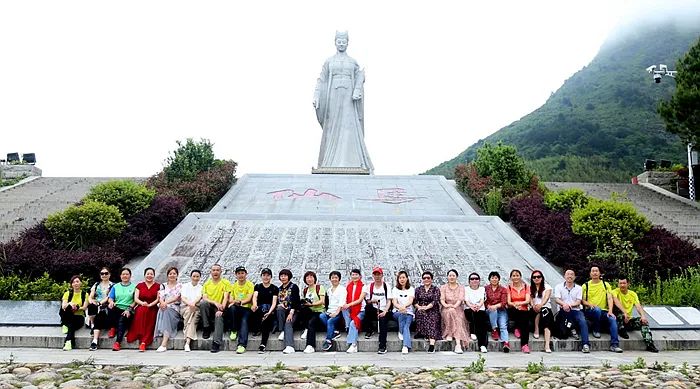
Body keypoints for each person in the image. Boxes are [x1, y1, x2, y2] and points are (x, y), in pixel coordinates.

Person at [313, 30, 373, 172]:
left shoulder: (352, 62)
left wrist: (357, 89)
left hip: (348, 97)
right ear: (335, 43)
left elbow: (360, 76)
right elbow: (321, 80)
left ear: (347, 43)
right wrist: (316, 95)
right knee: (333, 126)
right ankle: (331, 161)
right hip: (333, 95)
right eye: (339, 41)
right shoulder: (329, 61)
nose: (341, 44)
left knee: (348, 127)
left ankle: (349, 160)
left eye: (343, 41)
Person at [582, 265, 623, 353]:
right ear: (590, 274)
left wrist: (611, 311)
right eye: (593, 271)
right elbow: (582, 301)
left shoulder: (605, 285)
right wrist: (590, 304)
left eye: (596, 271)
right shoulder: (585, 285)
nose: (595, 272)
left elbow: (609, 298)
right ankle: (596, 329)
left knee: (612, 319)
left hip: (604, 311)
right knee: (597, 310)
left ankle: (614, 345)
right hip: (590, 311)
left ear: (600, 273)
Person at [611, 277, 658, 353]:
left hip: (628, 320)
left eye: (624, 283)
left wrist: (643, 316)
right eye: (620, 283)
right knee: (619, 314)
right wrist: (624, 312)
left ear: (628, 284)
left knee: (643, 322)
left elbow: (638, 306)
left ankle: (649, 344)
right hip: (618, 319)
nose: (622, 285)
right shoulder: (614, 292)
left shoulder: (633, 294)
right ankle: (621, 330)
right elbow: (616, 302)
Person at [554, 269, 590, 353]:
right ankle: (571, 328)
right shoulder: (559, 287)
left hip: (576, 310)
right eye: (568, 274)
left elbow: (578, 302)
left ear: (574, 277)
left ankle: (585, 344)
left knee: (583, 321)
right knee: (565, 314)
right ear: (564, 276)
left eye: (572, 274)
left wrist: (569, 305)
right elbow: (557, 299)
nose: (569, 276)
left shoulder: (579, 288)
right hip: (563, 310)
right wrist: (564, 305)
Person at [126, 267, 160, 352]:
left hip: (153, 307)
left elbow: (158, 299)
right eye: (148, 274)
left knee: (151, 319)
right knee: (141, 311)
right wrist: (142, 303)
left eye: (151, 274)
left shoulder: (158, 286)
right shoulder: (139, 285)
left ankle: (144, 342)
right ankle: (139, 334)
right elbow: (136, 298)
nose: (149, 275)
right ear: (144, 275)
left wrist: (151, 304)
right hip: (142, 305)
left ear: (154, 275)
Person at [200, 264, 231, 353]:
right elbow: (205, 298)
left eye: (217, 270)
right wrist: (215, 302)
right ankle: (206, 327)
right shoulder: (207, 284)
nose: (215, 272)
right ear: (211, 272)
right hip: (211, 306)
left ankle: (216, 343)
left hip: (222, 307)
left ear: (221, 272)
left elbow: (226, 297)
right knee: (203, 303)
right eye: (213, 270)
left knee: (218, 316)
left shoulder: (225, 283)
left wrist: (221, 309)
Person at [362, 266, 392, 354]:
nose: (377, 276)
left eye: (379, 274)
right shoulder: (370, 286)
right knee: (367, 308)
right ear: (373, 276)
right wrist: (372, 301)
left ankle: (382, 345)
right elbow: (367, 300)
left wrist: (385, 311)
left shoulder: (386, 286)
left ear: (382, 275)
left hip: (384, 310)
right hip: (375, 308)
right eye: (375, 274)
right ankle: (369, 329)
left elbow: (389, 301)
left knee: (383, 322)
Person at [440, 269, 470, 354]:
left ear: (456, 277)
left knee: (456, 316)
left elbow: (460, 300)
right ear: (447, 277)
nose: (451, 277)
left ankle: (454, 339)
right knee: (450, 312)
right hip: (446, 308)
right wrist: (447, 306)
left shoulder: (461, 287)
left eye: (453, 275)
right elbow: (442, 300)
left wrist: (454, 306)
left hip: (458, 308)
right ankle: (456, 344)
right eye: (450, 275)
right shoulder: (443, 287)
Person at [226, 266, 254, 354]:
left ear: (246, 274)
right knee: (232, 308)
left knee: (244, 321)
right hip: (236, 307)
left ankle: (242, 345)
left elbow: (249, 298)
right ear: (236, 275)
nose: (241, 275)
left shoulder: (250, 285)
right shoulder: (233, 286)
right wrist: (235, 302)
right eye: (239, 273)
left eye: (242, 273)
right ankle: (233, 330)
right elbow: (230, 299)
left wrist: (240, 302)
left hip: (246, 309)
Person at [108, 267, 137, 351]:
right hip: (117, 308)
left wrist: (128, 309)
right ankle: (112, 327)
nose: (125, 276)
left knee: (122, 319)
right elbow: (110, 298)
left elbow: (135, 301)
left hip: (128, 309)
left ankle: (118, 342)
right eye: (123, 274)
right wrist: (111, 302)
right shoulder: (115, 286)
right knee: (110, 307)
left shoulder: (134, 287)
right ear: (120, 276)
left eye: (127, 274)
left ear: (130, 276)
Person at [154, 267, 182, 352]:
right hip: (164, 307)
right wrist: (162, 303)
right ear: (167, 275)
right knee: (163, 309)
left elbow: (177, 298)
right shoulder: (163, 285)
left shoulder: (180, 286)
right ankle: (164, 342)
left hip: (175, 309)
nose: (172, 275)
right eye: (170, 274)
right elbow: (160, 297)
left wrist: (165, 303)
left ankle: (164, 343)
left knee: (165, 310)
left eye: (174, 273)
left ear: (177, 275)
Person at [252, 268, 278, 353]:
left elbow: (274, 302)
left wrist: (269, 312)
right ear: (261, 276)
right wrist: (254, 305)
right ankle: (257, 328)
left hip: (270, 309)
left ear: (271, 277)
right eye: (264, 275)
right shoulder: (258, 286)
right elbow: (255, 297)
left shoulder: (274, 288)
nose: (266, 277)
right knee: (258, 312)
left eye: (268, 275)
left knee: (266, 320)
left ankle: (263, 344)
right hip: (260, 309)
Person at [414, 270, 441, 353]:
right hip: (421, 308)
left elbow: (435, 301)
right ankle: (423, 333)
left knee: (431, 318)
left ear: (431, 279)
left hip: (432, 309)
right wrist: (419, 307)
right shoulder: (418, 289)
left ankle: (432, 344)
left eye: (428, 278)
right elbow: (414, 301)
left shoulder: (436, 289)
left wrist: (426, 307)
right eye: (424, 278)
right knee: (420, 313)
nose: (426, 279)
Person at [300, 271, 327, 353]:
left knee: (311, 323)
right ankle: (305, 328)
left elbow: (322, 301)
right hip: (309, 311)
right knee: (302, 308)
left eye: (311, 277)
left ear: (314, 278)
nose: (309, 279)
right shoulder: (305, 290)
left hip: (319, 311)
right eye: (307, 278)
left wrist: (311, 304)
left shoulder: (319, 287)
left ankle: (310, 345)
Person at [87, 267, 114, 351]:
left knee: (100, 313)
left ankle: (94, 341)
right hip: (96, 305)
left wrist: (100, 303)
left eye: (106, 273)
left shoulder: (113, 285)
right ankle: (92, 324)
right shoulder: (96, 284)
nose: (104, 275)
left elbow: (108, 297)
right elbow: (90, 296)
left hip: (105, 305)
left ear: (109, 274)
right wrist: (91, 301)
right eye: (102, 273)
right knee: (91, 305)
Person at [320, 271, 347, 352]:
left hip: (338, 312)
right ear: (330, 279)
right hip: (329, 311)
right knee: (321, 316)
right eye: (332, 278)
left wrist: (336, 313)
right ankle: (335, 331)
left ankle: (329, 340)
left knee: (330, 321)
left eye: (336, 277)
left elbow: (341, 303)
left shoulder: (342, 289)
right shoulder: (329, 290)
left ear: (339, 279)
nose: (334, 279)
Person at [60, 275, 88, 351]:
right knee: (68, 308)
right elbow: (63, 306)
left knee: (71, 325)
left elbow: (84, 307)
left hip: (79, 317)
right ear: (71, 284)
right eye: (73, 282)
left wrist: (77, 307)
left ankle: (65, 324)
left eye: (77, 281)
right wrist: (70, 304)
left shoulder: (85, 294)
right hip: (68, 315)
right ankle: (68, 343)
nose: (75, 283)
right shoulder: (67, 293)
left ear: (81, 283)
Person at [276, 269, 301, 354]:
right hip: (283, 311)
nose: (283, 278)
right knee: (279, 308)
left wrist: (291, 313)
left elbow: (296, 301)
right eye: (282, 276)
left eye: (285, 276)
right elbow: (278, 301)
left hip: (293, 311)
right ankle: (282, 330)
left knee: (288, 322)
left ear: (289, 277)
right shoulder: (279, 289)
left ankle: (290, 346)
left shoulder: (294, 287)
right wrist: (280, 304)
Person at [507, 269, 531, 354]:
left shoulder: (526, 287)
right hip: (513, 309)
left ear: (520, 277)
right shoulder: (509, 287)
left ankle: (525, 345)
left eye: (517, 275)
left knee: (525, 323)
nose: (515, 277)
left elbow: (528, 300)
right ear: (511, 278)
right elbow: (509, 302)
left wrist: (519, 303)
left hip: (524, 309)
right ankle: (517, 327)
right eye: (514, 276)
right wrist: (515, 305)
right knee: (518, 312)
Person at [485, 271, 510, 352]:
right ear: (489, 279)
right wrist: (489, 306)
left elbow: (504, 302)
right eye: (492, 278)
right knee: (493, 311)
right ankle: (494, 330)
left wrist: (495, 306)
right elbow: (484, 300)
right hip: (489, 310)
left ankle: (506, 343)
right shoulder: (486, 288)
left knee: (503, 325)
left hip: (501, 310)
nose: (494, 279)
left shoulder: (503, 289)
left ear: (499, 279)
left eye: (496, 278)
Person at [464, 272, 489, 353]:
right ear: (469, 281)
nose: (474, 280)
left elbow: (482, 299)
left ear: (479, 280)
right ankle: (473, 331)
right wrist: (471, 306)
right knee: (472, 313)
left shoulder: (482, 289)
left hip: (480, 308)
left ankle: (482, 345)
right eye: (472, 279)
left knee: (482, 325)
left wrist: (478, 306)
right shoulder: (466, 289)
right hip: (469, 308)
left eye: (476, 279)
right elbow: (466, 300)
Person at [530, 270, 553, 353]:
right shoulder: (530, 288)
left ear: (542, 278)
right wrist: (533, 305)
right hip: (534, 309)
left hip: (545, 307)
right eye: (534, 277)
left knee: (544, 314)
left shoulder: (547, 287)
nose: (536, 278)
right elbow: (530, 299)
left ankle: (547, 344)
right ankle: (536, 329)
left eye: (538, 276)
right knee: (537, 311)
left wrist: (541, 305)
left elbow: (546, 297)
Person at [392, 270, 415, 354]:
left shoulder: (411, 289)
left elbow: (410, 300)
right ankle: (405, 343)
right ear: (398, 279)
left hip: (408, 312)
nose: (402, 279)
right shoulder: (395, 289)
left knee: (406, 325)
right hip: (397, 312)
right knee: (402, 314)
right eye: (400, 278)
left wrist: (404, 307)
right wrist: (401, 308)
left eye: (403, 277)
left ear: (407, 278)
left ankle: (405, 344)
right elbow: (394, 302)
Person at [343, 268, 365, 353]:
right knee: (343, 309)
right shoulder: (348, 286)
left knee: (354, 323)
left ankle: (353, 345)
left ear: (360, 276)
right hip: (351, 309)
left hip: (360, 311)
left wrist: (348, 305)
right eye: (353, 275)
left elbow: (360, 300)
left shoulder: (363, 287)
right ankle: (348, 328)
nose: (354, 276)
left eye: (356, 275)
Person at [180, 269, 203, 352]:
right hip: (185, 308)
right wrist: (190, 304)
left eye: (197, 276)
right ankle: (187, 343)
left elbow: (199, 297)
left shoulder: (201, 287)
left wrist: (193, 304)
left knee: (192, 319)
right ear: (191, 277)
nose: (195, 278)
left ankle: (187, 343)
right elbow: (183, 298)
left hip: (196, 308)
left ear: (200, 277)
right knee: (190, 312)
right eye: (194, 276)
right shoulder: (185, 286)